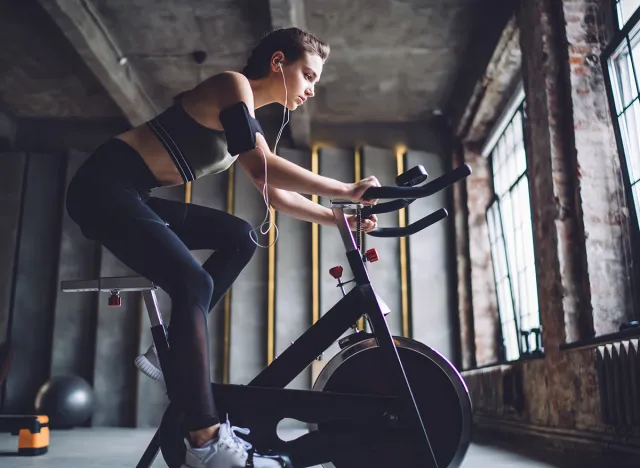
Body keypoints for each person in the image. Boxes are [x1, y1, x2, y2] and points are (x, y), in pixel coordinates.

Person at [66, 27, 379, 468]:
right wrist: (346, 187)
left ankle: (171, 349)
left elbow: (275, 194)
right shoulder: (233, 86)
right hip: (102, 188)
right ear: (277, 62)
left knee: (239, 236)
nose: (311, 89)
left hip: (132, 193)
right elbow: (263, 165)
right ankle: (205, 441)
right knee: (191, 281)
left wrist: (338, 215)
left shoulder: (248, 120)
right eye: (307, 75)